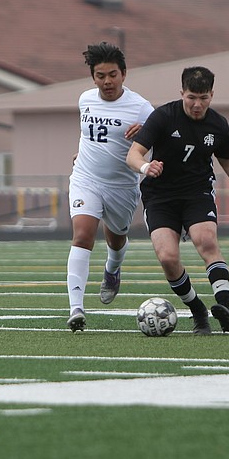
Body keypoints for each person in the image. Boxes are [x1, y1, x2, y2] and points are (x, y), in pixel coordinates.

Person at [126, 65, 229, 335]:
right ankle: (197, 311)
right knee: (168, 257)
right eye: (191, 97)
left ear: (212, 95)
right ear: (181, 93)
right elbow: (134, 154)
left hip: (197, 192)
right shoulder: (163, 117)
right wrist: (146, 167)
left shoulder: (217, 124)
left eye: (203, 98)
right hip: (160, 195)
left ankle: (225, 307)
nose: (196, 104)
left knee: (206, 240)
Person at [64, 42, 153, 331]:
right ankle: (76, 309)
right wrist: (82, 153)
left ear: (124, 74)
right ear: (93, 77)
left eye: (112, 74)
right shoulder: (85, 99)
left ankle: (112, 270)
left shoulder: (141, 108)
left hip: (122, 187)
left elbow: (161, 139)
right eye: (100, 75)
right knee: (82, 235)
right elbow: (87, 135)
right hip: (85, 178)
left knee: (116, 240)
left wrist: (147, 133)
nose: (107, 81)